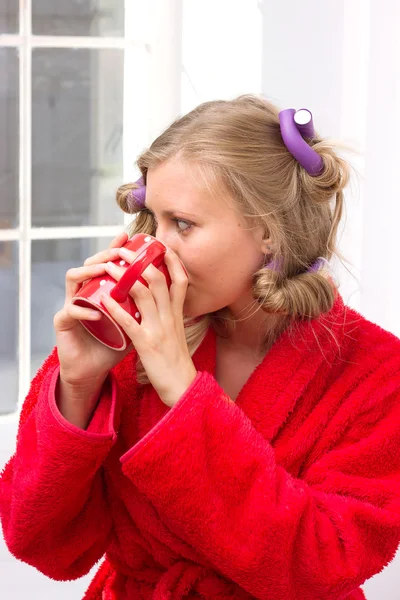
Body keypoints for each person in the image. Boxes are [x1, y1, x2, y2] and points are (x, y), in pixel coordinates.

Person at [1, 94, 400, 600]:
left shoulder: (378, 373)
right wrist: (79, 386)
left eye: (183, 224)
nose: (154, 248)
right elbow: (44, 545)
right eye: (153, 219)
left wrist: (186, 397)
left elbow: (318, 565)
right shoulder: (128, 339)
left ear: (269, 232)